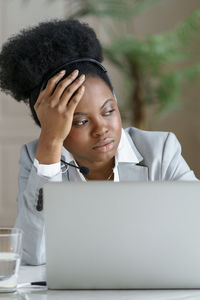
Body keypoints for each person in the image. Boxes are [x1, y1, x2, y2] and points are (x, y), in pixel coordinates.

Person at [0, 19, 198, 266]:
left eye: (108, 111)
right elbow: (32, 253)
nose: (102, 129)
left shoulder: (161, 150)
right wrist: (50, 144)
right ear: (55, 127)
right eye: (81, 122)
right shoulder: (37, 157)